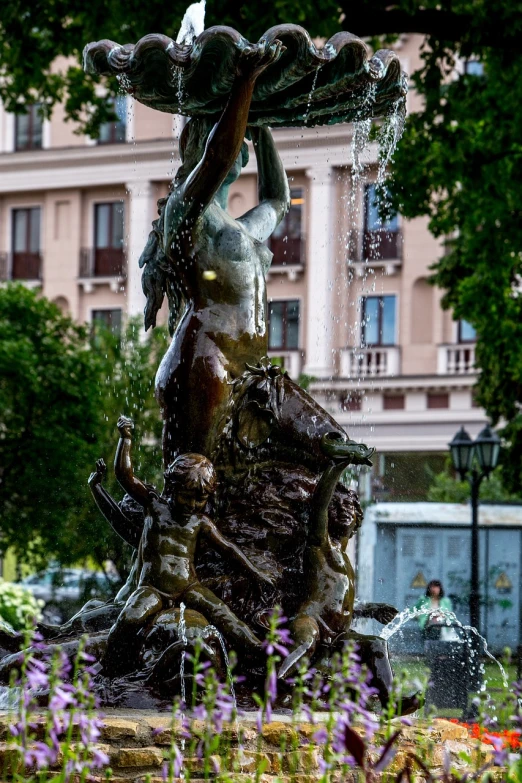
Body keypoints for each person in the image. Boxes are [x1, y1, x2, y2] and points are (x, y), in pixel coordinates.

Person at [139, 40, 291, 466]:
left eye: (241, 131)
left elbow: (279, 201)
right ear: (196, 143)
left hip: (253, 368)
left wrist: (261, 128)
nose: (237, 140)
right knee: (196, 479)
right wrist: (244, 82)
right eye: (233, 129)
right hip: (204, 362)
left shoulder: (238, 227)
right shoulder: (185, 209)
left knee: (312, 453)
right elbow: (220, 155)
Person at [102, 415, 273, 676]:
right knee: (129, 618)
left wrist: (255, 574)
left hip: (189, 587)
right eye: (186, 497)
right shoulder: (154, 506)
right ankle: (109, 667)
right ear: (171, 486)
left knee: (223, 613)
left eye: (200, 499)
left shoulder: (200, 522)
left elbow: (228, 549)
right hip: (153, 588)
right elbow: (125, 475)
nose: (192, 505)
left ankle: (261, 651)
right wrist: (126, 439)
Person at [278, 454, 420, 715]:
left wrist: (371, 609)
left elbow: (341, 601)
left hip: (338, 635)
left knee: (376, 644)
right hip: (311, 621)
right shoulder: (319, 545)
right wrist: (339, 465)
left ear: (358, 520)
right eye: (339, 507)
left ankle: (391, 703)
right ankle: (278, 687)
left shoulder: (345, 558)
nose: (346, 511)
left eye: (351, 509)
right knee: (306, 643)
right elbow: (319, 505)